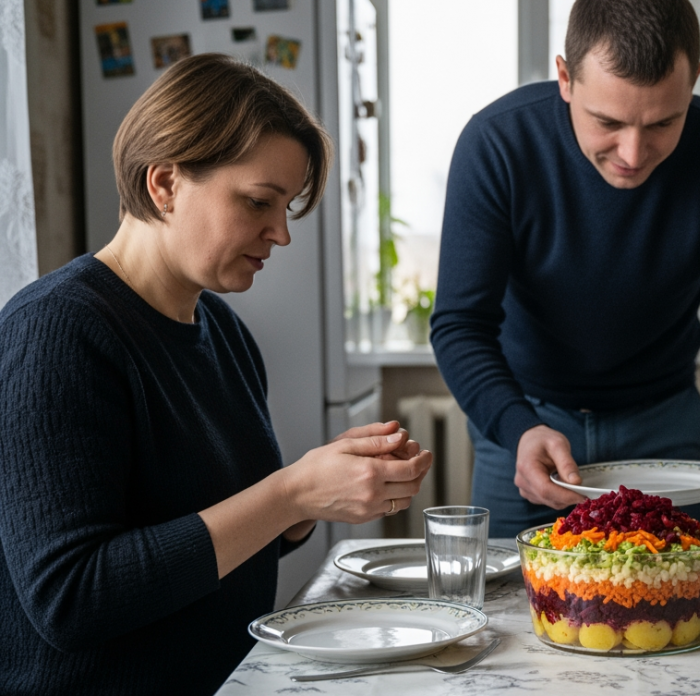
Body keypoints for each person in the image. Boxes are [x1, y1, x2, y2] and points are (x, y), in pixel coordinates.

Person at [0, 54, 432, 695]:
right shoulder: (57, 331)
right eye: (260, 201)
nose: (281, 233)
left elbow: (216, 543)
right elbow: (72, 598)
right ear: (165, 184)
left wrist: (306, 504)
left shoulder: (223, 332)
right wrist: (288, 493)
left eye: (285, 207)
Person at [431, 0, 700, 538]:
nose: (633, 153)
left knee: (673, 609)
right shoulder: (497, 144)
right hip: (528, 425)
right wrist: (517, 428)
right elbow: (459, 324)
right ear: (565, 78)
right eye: (607, 121)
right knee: (509, 610)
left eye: (663, 121)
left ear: (694, 82)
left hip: (665, 424)